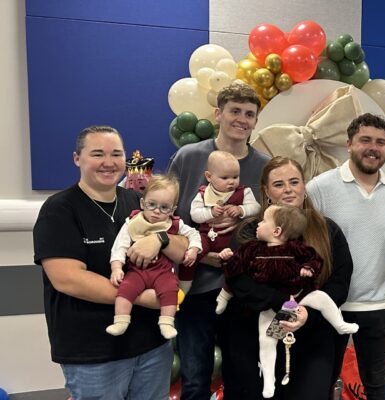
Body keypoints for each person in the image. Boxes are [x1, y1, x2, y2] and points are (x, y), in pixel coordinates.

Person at [33, 125, 188, 399]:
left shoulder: (140, 203)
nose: (108, 162)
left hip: (151, 346)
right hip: (94, 352)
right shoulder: (59, 210)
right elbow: (67, 278)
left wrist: (161, 239)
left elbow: (185, 246)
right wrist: (139, 297)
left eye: (116, 154)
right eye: (97, 154)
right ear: (77, 158)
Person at [218, 156, 354, 399]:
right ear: (267, 192)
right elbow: (239, 280)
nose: (288, 189)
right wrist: (285, 307)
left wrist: (305, 315)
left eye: (294, 182)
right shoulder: (252, 230)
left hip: (313, 336)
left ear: (304, 186)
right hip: (256, 337)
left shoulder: (327, 229)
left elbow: (340, 282)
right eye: (279, 184)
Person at [166, 83, 270, 399]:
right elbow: (163, 216)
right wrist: (199, 253)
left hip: (243, 289)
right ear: (218, 114)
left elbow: (272, 226)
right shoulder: (188, 158)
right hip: (195, 286)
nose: (242, 119)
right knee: (195, 378)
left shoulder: (264, 166)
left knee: (244, 377)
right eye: (234, 111)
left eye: (249, 114)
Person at [306, 113, 385, 399]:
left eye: (380, 142)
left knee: (378, 384)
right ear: (348, 143)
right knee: (320, 383)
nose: (373, 148)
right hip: (329, 303)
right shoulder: (319, 188)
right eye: (365, 140)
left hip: (378, 305)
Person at [107, 174, 202, 339]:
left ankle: (166, 322)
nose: (157, 211)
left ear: (172, 210)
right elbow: (119, 247)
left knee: (171, 289)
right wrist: (116, 268)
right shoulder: (132, 222)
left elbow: (194, 234)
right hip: (137, 270)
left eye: (164, 208)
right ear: (142, 203)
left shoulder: (174, 223)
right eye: (151, 205)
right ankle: (120, 321)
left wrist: (193, 249)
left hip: (163, 272)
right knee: (125, 289)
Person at [181, 150, 260, 293]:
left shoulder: (244, 192)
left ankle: (228, 292)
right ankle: (183, 286)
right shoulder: (204, 194)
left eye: (235, 177)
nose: (231, 182)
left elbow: (256, 208)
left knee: (242, 261)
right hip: (206, 236)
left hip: (232, 239)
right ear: (209, 176)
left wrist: (241, 210)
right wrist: (209, 213)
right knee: (192, 254)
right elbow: (194, 214)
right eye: (224, 177)